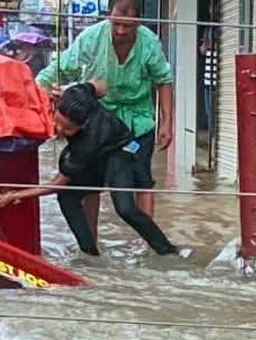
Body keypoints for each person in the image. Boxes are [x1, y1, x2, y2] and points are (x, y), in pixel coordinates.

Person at [0, 82, 180, 258]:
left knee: (125, 208)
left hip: (120, 151)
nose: (58, 129)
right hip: (98, 153)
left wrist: (15, 196)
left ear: (82, 125)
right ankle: (89, 253)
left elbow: (57, 184)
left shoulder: (86, 145)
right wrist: (64, 91)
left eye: (67, 129)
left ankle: (167, 250)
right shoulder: (77, 94)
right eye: (57, 121)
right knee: (68, 197)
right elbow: (101, 86)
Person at [35, 0, 172, 237]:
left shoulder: (149, 42)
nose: (120, 31)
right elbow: (61, 67)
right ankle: (91, 243)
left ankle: (148, 244)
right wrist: (39, 89)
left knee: (142, 181)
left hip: (138, 120)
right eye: (116, 23)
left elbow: (163, 80)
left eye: (127, 27)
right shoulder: (91, 37)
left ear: (138, 21)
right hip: (99, 121)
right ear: (109, 14)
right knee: (91, 183)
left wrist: (167, 122)